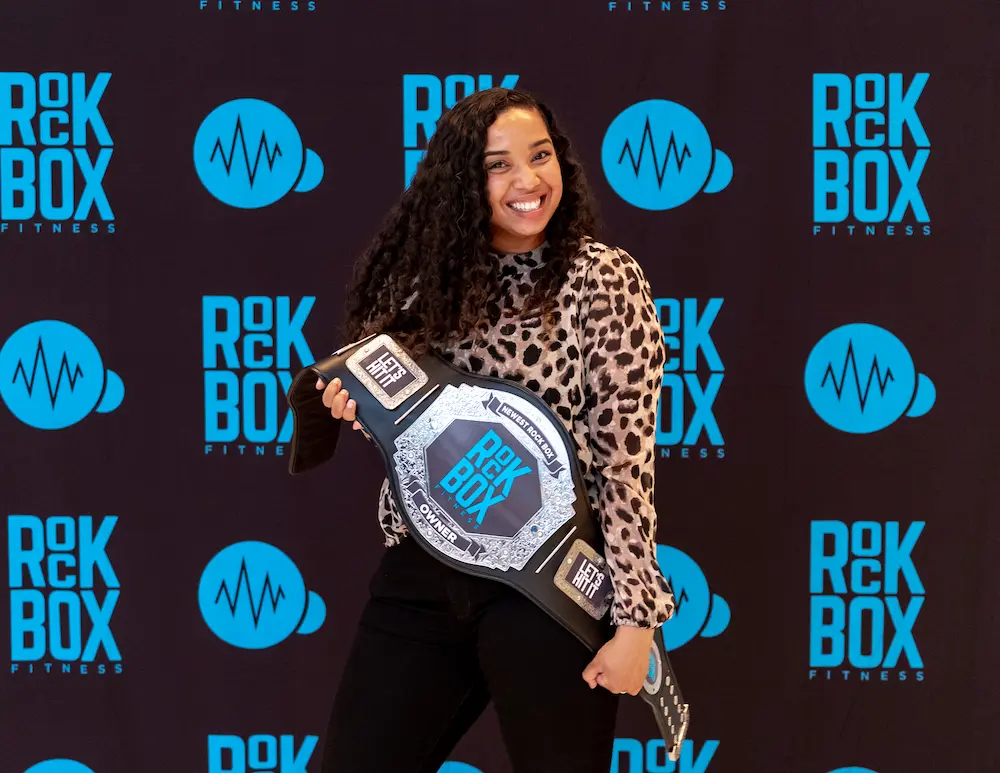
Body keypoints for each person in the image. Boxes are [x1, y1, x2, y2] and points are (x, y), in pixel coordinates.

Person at [314, 87, 676, 773]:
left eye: (540, 156)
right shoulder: (419, 283)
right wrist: (356, 412)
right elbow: (413, 440)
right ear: (462, 183)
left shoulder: (603, 281)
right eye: (498, 165)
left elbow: (623, 465)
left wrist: (637, 620)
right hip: (425, 571)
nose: (528, 181)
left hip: (549, 583)